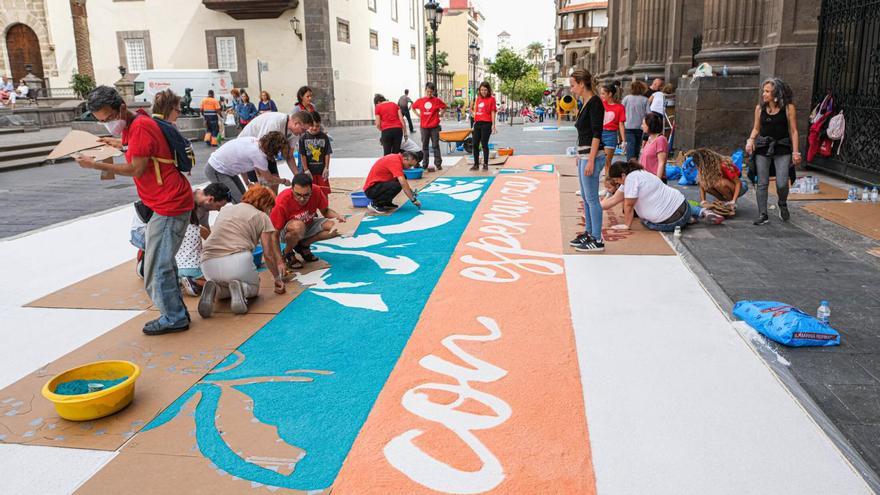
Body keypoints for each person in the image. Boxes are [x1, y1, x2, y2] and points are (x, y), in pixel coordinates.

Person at [76, 86, 193, 335]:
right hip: (164, 202)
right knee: (162, 262)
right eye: (101, 121)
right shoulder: (135, 123)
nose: (107, 124)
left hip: (169, 203)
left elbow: (136, 168)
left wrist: (93, 164)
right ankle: (176, 312)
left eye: (108, 118)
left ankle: (173, 317)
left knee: (155, 267)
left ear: (120, 108)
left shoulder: (140, 126)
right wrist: (116, 143)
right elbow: (141, 148)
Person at [199, 185, 286, 317]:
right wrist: (277, 278)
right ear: (266, 204)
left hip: (207, 262)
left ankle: (215, 289)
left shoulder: (226, 210)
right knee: (253, 288)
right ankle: (243, 289)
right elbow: (268, 254)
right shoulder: (262, 216)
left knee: (223, 289)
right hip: (237, 260)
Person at [605, 160, 723, 232]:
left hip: (670, 222)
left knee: (645, 222)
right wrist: (593, 205)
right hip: (684, 206)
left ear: (623, 175)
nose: (617, 183)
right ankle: (701, 212)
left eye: (617, 180)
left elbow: (628, 205)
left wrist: (626, 225)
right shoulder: (640, 173)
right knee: (679, 202)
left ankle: (686, 221)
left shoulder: (630, 180)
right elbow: (614, 200)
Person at [746, 77, 801, 225]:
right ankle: (763, 214)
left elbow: (794, 131)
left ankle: (782, 203)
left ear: (776, 94)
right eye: (764, 91)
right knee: (762, 183)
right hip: (763, 147)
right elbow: (757, 128)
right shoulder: (760, 108)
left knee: (782, 183)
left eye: (767, 91)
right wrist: (751, 140)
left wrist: (796, 152)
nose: (764, 94)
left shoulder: (788, 108)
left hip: (782, 148)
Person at [270, 173, 345, 269]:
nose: (302, 199)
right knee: (298, 226)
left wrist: (339, 217)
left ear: (311, 190)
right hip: (288, 231)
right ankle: (287, 252)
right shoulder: (281, 201)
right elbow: (274, 234)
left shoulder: (316, 190)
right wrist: (279, 261)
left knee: (338, 227)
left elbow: (325, 211)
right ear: (291, 189)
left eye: (306, 195)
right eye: (298, 195)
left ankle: (303, 245)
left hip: (308, 223)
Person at [569, 68, 606, 253]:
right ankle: (590, 233)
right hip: (584, 155)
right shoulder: (585, 102)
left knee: (592, 198)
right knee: (585, 197)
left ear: (582, 84)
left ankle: (597, 239)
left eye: (573, 85)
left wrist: (591, 160)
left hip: (593, 155)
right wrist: (580, 155)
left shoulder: (595, 103)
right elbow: (584, 133)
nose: (572, 89)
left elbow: (596, 134)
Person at [205, 131, 292, 202]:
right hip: (216, 169)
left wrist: (247, 182)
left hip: (227, 169)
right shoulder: (259, 156)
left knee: (244, 198)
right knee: (238, 200)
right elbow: (269, 179)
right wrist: (284, 181)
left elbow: (241, 162)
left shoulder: (254, 140)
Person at [239, 110, 314, 187]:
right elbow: (257, 152)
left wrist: (298, 176)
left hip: (266, 152)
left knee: (274, 182)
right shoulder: (275, 124)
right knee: (260, 189)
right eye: (303, 130)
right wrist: (260, 176)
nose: (303, 133)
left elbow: (289, 156)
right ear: (296, 123)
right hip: (249, 151)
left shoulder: (296, 132)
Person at [688, 148, 749, 213]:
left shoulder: (723, 165)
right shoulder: (705, 168)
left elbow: (738, 183)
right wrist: (703, 201)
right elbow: (702, 183)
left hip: (741, 186)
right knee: (705, 183)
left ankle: (730, 203)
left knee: (719, 183)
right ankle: (724, 202)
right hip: (729, 185)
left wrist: (733, 201)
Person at [412, 82, 447, 171]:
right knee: (425, 146)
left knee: (435, 145)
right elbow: (413, 107)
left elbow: (444, 107)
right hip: (424, 127)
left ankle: (438, 164)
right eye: (428, 91)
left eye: (431, 92)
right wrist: (418, 115)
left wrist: (440, 115)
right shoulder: (420, 100)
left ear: (433, 91)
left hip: (434, 127)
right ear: (425, 90)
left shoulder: (436, 100)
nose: (429, 93)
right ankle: (425, 164)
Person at [300, 111, 333, 195]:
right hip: (309, 173)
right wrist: (306, 169)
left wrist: (326, 167)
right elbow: (302, 155)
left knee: (323, 192)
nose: (314, 128)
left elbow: (327, 153)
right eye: (312, 125)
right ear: (307, 124)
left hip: (321, 172)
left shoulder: (324, 137)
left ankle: (325, 208)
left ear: (320, 124)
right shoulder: (303, 138)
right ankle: (311, 208)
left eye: (317, 126)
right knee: (309, 193)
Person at [176, 208, 207, 297]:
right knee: (212, 282)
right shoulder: (199, 229)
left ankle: (182, 280)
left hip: (178, 268)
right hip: (194, 267)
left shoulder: (175, 231)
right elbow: (212, 242)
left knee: (186, 275)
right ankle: (193, 281)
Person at [471, 81, 497, 171]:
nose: (483, 91)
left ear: (488, 90)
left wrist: (493, 125)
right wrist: (473, 115)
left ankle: (485, 164)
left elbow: (493, 112)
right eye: (481, 90)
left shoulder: (492, 99)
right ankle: (476, 164)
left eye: (485, 90)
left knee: (484, 144)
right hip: (477, 123)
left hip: (486, 124)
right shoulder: (478, 99)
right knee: (475, 144)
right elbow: (475, 110)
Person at [622, 80, 649, 160]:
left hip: (628, 126)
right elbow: (649, 113)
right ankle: (635, 162)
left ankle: (630, 163)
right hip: (640, 126)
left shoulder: (626, 98)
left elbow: (621, 110)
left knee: (630, 145)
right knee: (637, 146)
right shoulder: (645, 99)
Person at [600, 84, 626, 166]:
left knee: (607, 162)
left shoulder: (620, 107)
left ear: (610, 94)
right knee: (597, 161)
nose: (601, 96)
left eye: (603, 93)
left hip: (611, 135)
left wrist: (624, 141)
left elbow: (621, 124)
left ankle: (607, 178)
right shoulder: (600, 104)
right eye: (601, 93)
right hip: (598, 133)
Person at [639, 112, 668, 182]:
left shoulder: (661, 140)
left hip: (654, 180)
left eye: (644, 124)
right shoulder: (649, 139)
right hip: (645, 178)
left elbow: (661, 163)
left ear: (650, 125)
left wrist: (657, 182)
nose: (642, 126)